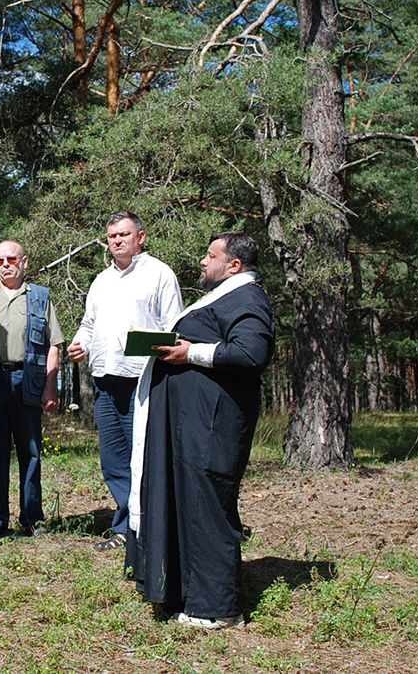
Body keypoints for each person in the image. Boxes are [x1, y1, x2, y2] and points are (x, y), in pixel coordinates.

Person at [126, 231, 275, 628]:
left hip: (214, 425)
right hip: (194, 425)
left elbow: (251, 353)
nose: (203, 262)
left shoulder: (248, 299)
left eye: (211, 256)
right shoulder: (225, 297)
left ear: (234, 265)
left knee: (208, 505)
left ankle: (218, 608)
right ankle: (185, 593)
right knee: (189, 502)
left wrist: (190, 351)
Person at [67, 212, 183, 551]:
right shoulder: (101, 281)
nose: (117, 240)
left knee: (143, 457)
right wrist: (80, 344)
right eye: (112, 236)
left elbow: (174, 325)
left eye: (124, 234)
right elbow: (89, 324)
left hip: (141, 380)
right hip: (104, 380)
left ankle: (152, 530)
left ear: (140, 237)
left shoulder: (159, 274)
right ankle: (125, 528)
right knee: (114, 460)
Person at [0, 240, 64, 540]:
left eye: (11, 259)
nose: (5, 265)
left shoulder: (40, 297)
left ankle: (32, 518)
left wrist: (50, 387)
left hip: (27, 381)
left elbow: (53, 345)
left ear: (24, 262)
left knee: (30, 451)